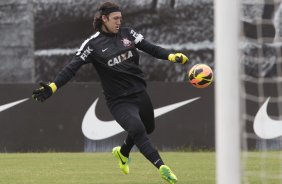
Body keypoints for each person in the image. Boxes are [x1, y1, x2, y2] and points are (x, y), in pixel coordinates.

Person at [32, 1, 188, 184]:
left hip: (139, 92)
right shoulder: (92, 45)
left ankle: (122, 153)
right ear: (104, 19)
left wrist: (171, 56)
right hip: (119, 101)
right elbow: (71, 68)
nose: (118, 22)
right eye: (115, 19)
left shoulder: (128, 33)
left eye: (120, 18)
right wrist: (52, 87)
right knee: (137, 129)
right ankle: (162, 167)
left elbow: (150, 48)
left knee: (148, 127)